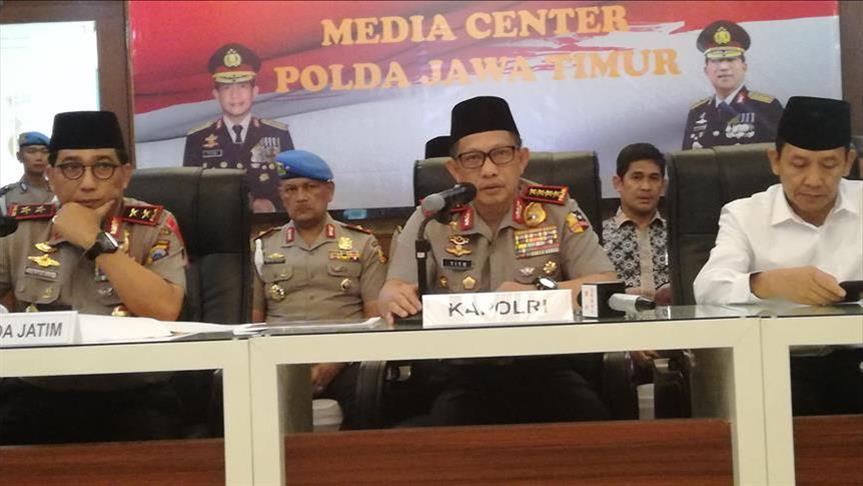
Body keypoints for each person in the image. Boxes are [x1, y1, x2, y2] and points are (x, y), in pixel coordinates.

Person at [379, 96, 617, 426]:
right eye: (473, 158)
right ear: (454, 169)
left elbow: (604, 284)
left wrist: (538, 294)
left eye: (501, 154)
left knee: (593, 429)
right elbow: (395, 288)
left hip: (548, 366)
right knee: (445, 437)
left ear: (522, 159)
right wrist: (391, 295)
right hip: (463, 372)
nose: (489, 169)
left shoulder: (557, 210)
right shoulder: (432, 217)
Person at [0, 111, 188, 444]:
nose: (87, 183)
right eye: (72, 168)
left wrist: (94, 239)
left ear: (125, 175)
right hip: (35, 391)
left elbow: (165, 309)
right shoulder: (20, 228)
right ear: (51, 175)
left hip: (134, 394)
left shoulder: (153, 225)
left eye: (103, 167)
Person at [694, 96, 862, 415]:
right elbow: (707, 288)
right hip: (778, 365)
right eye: (799, 164)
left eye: (829, 165)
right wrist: (768, 284)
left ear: (848, 162)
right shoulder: (744, 215)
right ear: (775, 161)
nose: (814, 180)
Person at [251, 149, 387, 427]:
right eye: (291, 189)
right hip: (279, 358)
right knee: (249, 400)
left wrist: (332, 364)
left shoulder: (362, 243)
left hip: (345, 360)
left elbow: (375, 319)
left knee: (370, 391)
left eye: (310, 187)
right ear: (281, 195)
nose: (301, 197)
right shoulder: (263, 246)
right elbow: (253, 323)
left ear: (329, 191)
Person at [183, 43, 294, 213]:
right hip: (217, 224)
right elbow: (190, 194)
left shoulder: (278, 134)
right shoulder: (197, 138)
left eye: (243, 86)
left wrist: (272, 205)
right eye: (226, 87)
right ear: (216, 95)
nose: (235, 95)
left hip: (267, 224)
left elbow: (291, 186)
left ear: (255, 91)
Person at [682, 20, 783, 150]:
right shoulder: (697, 111)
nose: (724, 67)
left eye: (731, 59)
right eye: (716, 60)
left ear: (744, 66)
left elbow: (781, 156)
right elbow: (687, 158)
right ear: (706, 70)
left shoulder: (766, 106)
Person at [602, 143, 671, 305]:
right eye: (637, 177)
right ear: (618, 183)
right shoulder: (597, 236)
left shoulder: (679, 235)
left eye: (653, 178)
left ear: (663, 186)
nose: (646, 187)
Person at [0, 132, 54, 215]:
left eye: (45, 151)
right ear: (19, 156)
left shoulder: (60, 192)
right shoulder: (5, 196)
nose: (39, 157)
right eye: (31, 151)